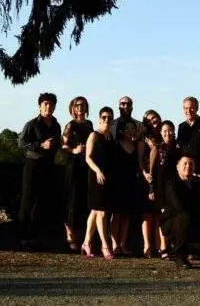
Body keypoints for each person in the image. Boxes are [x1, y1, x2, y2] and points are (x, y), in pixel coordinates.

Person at [16, 92, 62, 248]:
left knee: (41, 201)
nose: (48, 107)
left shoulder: (56, 125)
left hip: (48, 165)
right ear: (40, 106)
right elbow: (21, 143)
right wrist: (41, 145)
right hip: (33, 164)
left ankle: (34, 235)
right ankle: (22, 236)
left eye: (51, 104)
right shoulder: (32, 124)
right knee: (27, 200)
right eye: (45, 104)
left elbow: (57, 144)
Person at [162, 154, 200, 269]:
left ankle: (194, 252)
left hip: (192, 218)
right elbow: (179, 206)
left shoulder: (198, 183)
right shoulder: (172, 183)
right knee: (185, 216)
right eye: (184, 163)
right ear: (177, 167)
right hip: (173, 221)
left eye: (191, 164)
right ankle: (179, 255)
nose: (188, 166)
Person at [61, 96, 94, 251]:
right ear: (73, 108)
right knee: (72, 199)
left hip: (86, 165)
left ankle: (82, 235)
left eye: (83, 105)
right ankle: (69, 233)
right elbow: (63, 145)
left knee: (83, 199)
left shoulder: (89, 124)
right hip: (73, 165)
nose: (80, 107)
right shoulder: (70, 125)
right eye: (77, 105)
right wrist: (74, 150)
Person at [109, 116, 145, 255]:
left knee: (127, 215)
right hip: (118, 182)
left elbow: (140, 163)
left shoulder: (136, 145)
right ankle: (114, 244)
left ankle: (123, 243)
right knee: (116, 214)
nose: (130, 130)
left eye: (132, 128)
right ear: (122, 130)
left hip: (131, 182)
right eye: (127, 128)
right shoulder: (116, 144)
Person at [82, 106, 115, 258]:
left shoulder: (110, 137)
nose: (106, 120)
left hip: (107, 177)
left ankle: (86, 243)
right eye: (104, 117)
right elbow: (88, 157)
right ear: (99, 119)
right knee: (101, 212)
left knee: (95, 212)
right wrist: (98, 171)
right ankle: (105, 245)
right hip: (95, 176)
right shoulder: (93, 135)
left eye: (109, 117)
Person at [139, 109, 164, 257]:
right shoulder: (144, 136)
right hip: (148, 176)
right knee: (147, 213)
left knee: (159, 213)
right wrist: (144, 172)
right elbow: (139, 158)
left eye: (154, 117)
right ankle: (147, 245)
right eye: (148, 120)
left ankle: (159, 245)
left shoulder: (163, 133)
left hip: (162, 176)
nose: (152, 121)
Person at [154, 119, 179, 258]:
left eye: (170, 130)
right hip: (161, 187)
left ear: (174, 132)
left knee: (175, 217)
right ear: (160, 132)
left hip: (175, 187)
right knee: (163, 218)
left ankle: (174, 246)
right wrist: (152, 189)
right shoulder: (157, 148)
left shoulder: (178, 148)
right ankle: (163, 247)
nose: (167, 133)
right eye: (164, 131)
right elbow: (152, 171)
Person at [177, 96, 200, 177]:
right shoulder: (181, 126)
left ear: (197, 108)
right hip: (186, 170)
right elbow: (181, 148)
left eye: (191, 108)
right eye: (186, 108)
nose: (188, 111)